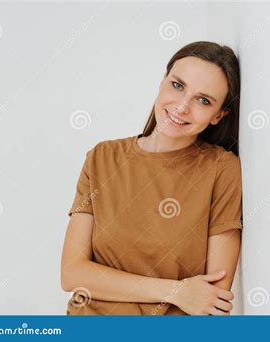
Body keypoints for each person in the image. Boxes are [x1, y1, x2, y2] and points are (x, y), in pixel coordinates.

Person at [60, 41, 243, 315]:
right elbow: (72, 274)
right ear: (162, 82)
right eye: (177, 86)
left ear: (218, 115)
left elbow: (211, 298)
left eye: (203, 100)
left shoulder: (221, 170)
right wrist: (176, 291)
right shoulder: (102, 158)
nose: (182, 107)